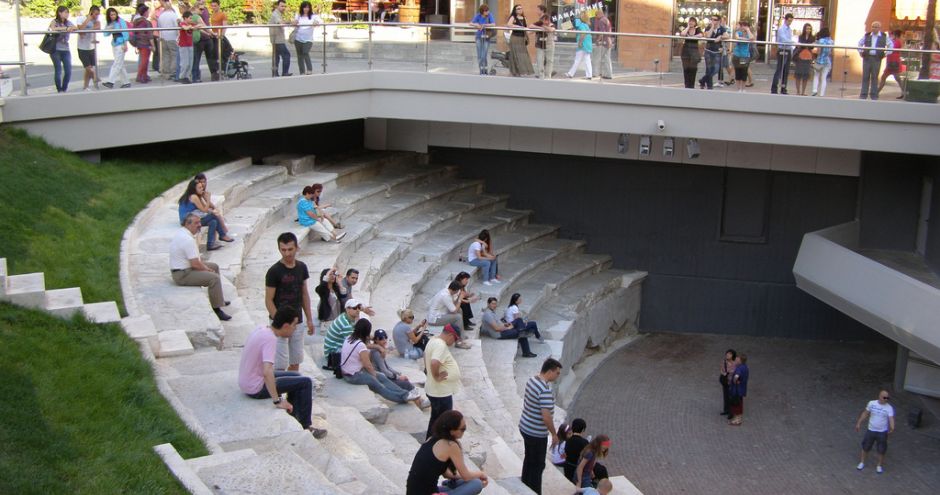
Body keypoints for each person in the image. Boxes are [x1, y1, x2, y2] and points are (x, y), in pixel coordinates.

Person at [238, 306, 327, 439]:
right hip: (255, 387)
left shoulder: (263, 329)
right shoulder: (271, 339)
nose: (295, 328)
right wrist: (277, 401)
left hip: (247, 380)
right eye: (294, 325)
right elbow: (267, 371)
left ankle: (294, 412)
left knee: (297, 376)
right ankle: (306, 426)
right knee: (306, 382)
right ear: (285, 326)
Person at [340, 319, 424, 406]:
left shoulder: (349, 338)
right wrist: (374, 375)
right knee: (379, 385)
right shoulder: (360, 345)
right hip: (353, 375)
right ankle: (403, 396)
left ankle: (405, 394)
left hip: (349, 370)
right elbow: (367, 365)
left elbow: (367, 343)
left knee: (382, 377)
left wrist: (376, 343)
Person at [265, 232, 315, 372]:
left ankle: (293, 391)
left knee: (296, 360)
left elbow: (304, 293)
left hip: (297, 321)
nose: (287, 253)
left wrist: (309, 319)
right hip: (280, 322)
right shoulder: (274, 271)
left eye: (290, 249)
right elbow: (269, 300)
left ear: (297, 248)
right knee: (279, 363)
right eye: (283, 250)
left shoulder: (301, 267)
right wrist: (279, 322)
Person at [406, 410, 488, 495]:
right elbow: (466, 476)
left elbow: (448, 474)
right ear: (452, 431)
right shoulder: (451, 445)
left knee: (470, 480)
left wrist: (474, 477)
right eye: (463, 429)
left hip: (414, 491)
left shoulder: (432, 438)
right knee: (476, 484)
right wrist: (481, 474)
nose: (464, 431)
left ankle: (450, 486)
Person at [170, 213, 231, 321]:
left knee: (214, 266)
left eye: (199, 222)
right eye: (196, 223)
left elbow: (195, 261)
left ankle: (218, 299)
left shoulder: (183, 233)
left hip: (186, 268)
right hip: (182, 274)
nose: (199, 225)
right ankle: (217, 309)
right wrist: (207, 269)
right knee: (214, 278)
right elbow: (195, 264)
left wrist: (207, 268)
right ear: (188, 224)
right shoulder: (187, 240)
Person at [520, 358, 562, 494]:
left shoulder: (532, 380)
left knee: (529, 459)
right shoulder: (544, 390)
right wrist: (554, 434)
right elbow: (546, 416)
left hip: (525, 426)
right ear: (550, 371)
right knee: (538, 465)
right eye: (557, 373)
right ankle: (535, 491)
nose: (557, 376)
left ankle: (524, 485)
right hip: (536, 433)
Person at [424, 325, 461, 439]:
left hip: (436, 390)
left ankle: (429, 442)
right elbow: (434, 362)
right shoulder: (440, 345)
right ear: (450, 335)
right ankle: (438, 446)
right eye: (454, 339)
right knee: (443, 424)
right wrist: (436, 377)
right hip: (440, 392)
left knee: (435, 419)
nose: (453, 342)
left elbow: (427, 359)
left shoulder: (433, 340)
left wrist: (429, 373)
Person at [177, 179, 234, 250]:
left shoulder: (194, 196)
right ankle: (222, 235)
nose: (202, 189)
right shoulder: (193, 197)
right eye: (199, 188)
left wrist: (206, 200)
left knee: (213, 222)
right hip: (187, 222)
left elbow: (206, 208)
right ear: (194, 189)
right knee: (213, 216)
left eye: (202, 187)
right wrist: (208, 199)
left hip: (190, 219)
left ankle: (210, 245)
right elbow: (204, 210)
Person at [854, 390, 895, 474]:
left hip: (882, 432)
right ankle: (862, 462)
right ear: (879, 396)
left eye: (887, 398)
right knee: (865, 447)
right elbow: (865, 413)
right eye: (884, 397)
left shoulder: (889, 408)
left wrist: (892, 427)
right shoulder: (872, 403)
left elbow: (891, 418)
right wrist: (859, 423)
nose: (886, 399)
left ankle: (879, 465)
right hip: (871, 430)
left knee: (881, 449)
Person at [427, 281, 471, 349]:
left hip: (440, 314)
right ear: (456, 290)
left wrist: (459, 297)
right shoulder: (445, 295)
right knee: (458, 317)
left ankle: (461, 334)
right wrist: (460, 299)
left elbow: (453, 305)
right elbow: (454, 311)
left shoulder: (447, 291)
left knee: (460, 310)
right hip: (435, 319)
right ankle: (459, 342)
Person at [858, 21, 890, 100]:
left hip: (877, 58)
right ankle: (863, 94)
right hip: (867, 58)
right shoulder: (867, 35)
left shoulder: (884, 36)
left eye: (876, 27)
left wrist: (886, 53)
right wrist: (861, 51)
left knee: (875, 77)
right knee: (865, 76)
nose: (874, 28)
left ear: (879, 28)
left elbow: (890, 45)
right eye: (873, 26)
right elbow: (860, 43)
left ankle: (874, 95)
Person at [48, 6, 76, 93]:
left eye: (68, 12)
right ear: (59, 13)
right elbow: (53, 28)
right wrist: (65, 29)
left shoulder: (68, 22)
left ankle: (64, 88)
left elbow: (75, 27)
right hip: (55, 49)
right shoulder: (54, 21)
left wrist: (71, 28)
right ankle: (59, 89)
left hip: (66, 49)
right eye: (65, 12)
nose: (67, 14)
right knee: (58, 70)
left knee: (68, 70)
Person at [101, 8, 131, 89]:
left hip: (121, 43)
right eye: (111, 15)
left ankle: (111, 81)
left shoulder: (121, 21)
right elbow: (105, 34)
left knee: (117, 64)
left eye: (114, 14)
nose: (113, 16)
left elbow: (125, 33)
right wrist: (109, 28)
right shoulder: (111, 23)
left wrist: (125, 44)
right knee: (120, 64)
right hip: (114, 44)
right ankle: (126, 82)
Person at [74, 5, 101, 91]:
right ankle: (95, 78)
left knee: (89, 68)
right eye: (95, 14)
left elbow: (98, 27)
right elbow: (80, 30)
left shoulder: (96, 21)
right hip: (82, 47)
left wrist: (89, 29)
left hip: (91, 47)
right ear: (91, 13)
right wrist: (88, 19)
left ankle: (85, 86)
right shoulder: (81, 18)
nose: (96, 16)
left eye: (98, 14)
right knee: (88, 67)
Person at [699, 15, 728, 90]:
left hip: (717, 51)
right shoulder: (708, 27)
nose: (713, 21)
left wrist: (720, 37)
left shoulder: (722, 29)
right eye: (712, 19)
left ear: (719, 21)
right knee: (708, 69)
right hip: (708, 50)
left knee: (716, 68)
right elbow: (708, 36)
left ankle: (703, 80)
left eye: (715, 20)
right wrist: (712, 27)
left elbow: (727, 35)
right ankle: (709, 86)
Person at [189, 3, 216, 83]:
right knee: (197, 59)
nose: (202, 11)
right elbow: (204, 27)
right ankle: (196, 77)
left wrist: (208, 34)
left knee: (195, 59)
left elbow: (198, 28)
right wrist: (212, 33)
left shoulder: (191, 16)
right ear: (196, 8)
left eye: (203, 9)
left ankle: (195, 77)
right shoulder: (197, 17)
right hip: (198, 40)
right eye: (201, 9)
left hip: (195, 39)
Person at [506, 5, 534, 77]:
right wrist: (518, 27)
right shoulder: (513, 17)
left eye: (521, 8)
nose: (520, 10)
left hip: (522, 38)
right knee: (514, 54)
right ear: (515, 10)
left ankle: (522, 71)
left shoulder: (524, 18)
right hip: (515, 37)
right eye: (518, 9)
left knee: (522, 54)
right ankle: (514, 72)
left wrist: (530, 33)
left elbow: (526, 28)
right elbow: (509, 25)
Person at [293, 1, 320, 76]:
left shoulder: (314, 16)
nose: (306, 9)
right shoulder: (298, 15)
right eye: (305, 7)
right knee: (299, 55)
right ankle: (302, 71)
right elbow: (294, 22)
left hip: (308, 39)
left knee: (305, 52)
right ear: (302, 8)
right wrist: (294, 22)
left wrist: (316, 22)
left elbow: (319, 22)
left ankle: (309, 69)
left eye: (308, 7)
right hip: (298, 38)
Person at [771, 13, 794, 94]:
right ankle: (774, 88)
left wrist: (791, 49)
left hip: (788, 50)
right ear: (785, 20)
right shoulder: (781, 29)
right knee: (779, 70)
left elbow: (789, 39)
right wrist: (793, 42)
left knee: (786, 71)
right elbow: (784, 39)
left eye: (791, 21)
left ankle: (783, 88)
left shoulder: (789, 29)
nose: (790, 22)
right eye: (789, 21)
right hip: (782, 50)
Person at [565, 12, 593, 80]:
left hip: (583, 44)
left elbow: (583, 33)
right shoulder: (586, 25)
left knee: (578, 60)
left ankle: (571, 74)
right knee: (587, 60)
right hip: (588, 44)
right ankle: (589, 75)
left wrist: (580, 42)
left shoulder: (581, 25)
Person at [157, 0, 180, 81]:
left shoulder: (161, 16)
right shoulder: (174, 15)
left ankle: (165, 72)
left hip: (163, 37)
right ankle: (173, 72)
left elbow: (159, 26)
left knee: (165, 55)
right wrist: (178, 36)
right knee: (174, 55)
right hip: (172, 37)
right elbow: (177, 26)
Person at [131, 4, 154, 84]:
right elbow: (150, 35)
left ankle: (143, 76)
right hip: (145, 43)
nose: (148, 13)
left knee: (143, 60)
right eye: (147, 11)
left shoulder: (136, 21)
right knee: (145, 61)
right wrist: (153, 45)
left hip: (139, 42)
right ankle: (141, 76)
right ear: (145, 12)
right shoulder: (147, 22)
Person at [878, 30, 905, 98]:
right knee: (890, 77)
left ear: (895, 35)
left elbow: (892, 49)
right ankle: (904, 92)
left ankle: (877, 92)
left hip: (894, 62)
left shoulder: (897, 42)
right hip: (891, 61)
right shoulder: (894, 41)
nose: (890, 36)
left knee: (895, 78)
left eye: (892, 34)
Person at [470, 4, 495, 76]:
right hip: (479, 36)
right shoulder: (478, 15)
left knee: (484, 54)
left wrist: (484, 25)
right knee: (479, 55)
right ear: (482, 12)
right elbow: (470, 23)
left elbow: (493, 24)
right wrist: (476, 25)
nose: (487, 12)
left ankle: (485, 69)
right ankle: (481, 70)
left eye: (488, 10)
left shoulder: (490, 15)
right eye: (486, 11)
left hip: (486, 37)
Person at [679, 17, 703, 89]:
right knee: (686, 68)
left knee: (693, 69)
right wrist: (688, 27)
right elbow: (682, 34)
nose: (691, 23)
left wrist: (692, 37)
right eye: (690, 21)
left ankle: (691, 86)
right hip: (686, 51)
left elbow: (701, 35)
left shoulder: (697, 29)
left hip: (694, 51)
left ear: (695, 23)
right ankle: (686, 85)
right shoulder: (686, 29)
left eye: (693, 21)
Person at [270, 0, 292, 77]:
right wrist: (289, 22)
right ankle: (284, 72)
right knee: (286, 55)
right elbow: (280, 22)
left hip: (275, 39)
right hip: (278, 39)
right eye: (282, 6)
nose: (284, 8)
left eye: (284, 6)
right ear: (277, 6)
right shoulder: (276, 14)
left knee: (276, 57)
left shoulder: (278, 14)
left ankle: (275, 73)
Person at [532, 8, 554, 79]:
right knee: (539, 60)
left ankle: (548, 75)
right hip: (540, 45)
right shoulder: (539, 24)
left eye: (547, 20)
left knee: (549, 60)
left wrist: (544, 27)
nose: (545, 22)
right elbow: (530, 26)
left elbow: (551, 29)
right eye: (544, 20)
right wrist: (540, 27)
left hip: (549, 44)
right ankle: (541, 75)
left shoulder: (551, 25)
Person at [793, 23, 815, 96]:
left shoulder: (812, 37)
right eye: (807, 28)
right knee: (798, 74)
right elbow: (800, 45)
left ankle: (803, 92)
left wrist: (807, 46)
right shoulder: (801, 36)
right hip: (800, 56)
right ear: (804, 29)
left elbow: (812, 47)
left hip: (808, 57)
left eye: (809, 29)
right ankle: (798, 91)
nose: (808, 30)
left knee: (806, 75)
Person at [175, 10, 196, 84]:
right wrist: (190, 26)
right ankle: (182, 76)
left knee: (190, 62)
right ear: (185, 18)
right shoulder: (182, 23)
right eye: (190, 18)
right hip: (183, 46)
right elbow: (185, 28)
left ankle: (187, 76)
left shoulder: (191, 24)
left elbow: (197, 27)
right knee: (185, 63)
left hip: (190, 45)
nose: (191, 20)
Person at [811, 27, 834, 97]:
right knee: (824, 78)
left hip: (819, 60)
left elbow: (818, 51)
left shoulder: (820, 41)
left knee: (816, 75)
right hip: (827, 61)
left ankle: (814, 90)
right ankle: (822, 94)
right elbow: (831, 52)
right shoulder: (831, 41)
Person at [727, 352, 749, 426]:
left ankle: (737, 420)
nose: (736, 360)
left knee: (737, 404)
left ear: (740, 360)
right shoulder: (745, 367)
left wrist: (734, 380)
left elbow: (736, 376)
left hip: (737, 390)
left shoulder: (739, 368)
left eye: (737, 359)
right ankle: (737, 419)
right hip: (742, 389)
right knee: (739, 403)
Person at [732, 21, 753, 93]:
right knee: (738, 71)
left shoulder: (748, 33)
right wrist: (747, 40)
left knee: (744, 72)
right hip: (737, 55)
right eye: (742, 26)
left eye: (745, 26)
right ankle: (738, 88)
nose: (743, 27)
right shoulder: (738, 32)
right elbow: (737, 38)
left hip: (745, 56)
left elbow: (752, 38)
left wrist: (748, 30)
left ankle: (743, 88)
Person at [593, 9, 613, 80]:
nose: (595, 17)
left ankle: (595, 73)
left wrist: (598, 40)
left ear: (599, 14)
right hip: (609, 42)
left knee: (597, 58)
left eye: (596, 15)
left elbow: (602, 32)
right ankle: (609, 74)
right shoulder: (606, 20)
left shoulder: (601, 21)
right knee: (607, 59)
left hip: (603, 43)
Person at [718, 348, 737, 417]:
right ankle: (726, 410)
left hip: (732, 382)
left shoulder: (735, 363)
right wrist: (724, 373)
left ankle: (731, 412)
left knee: (731, 397)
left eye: (729, 354)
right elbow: (721, 370)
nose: (727, 355)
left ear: (733, 355)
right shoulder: (724, 361)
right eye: (727, 354)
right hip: (725, 381)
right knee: (725, 396)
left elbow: (736, 372)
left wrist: (731, 372)